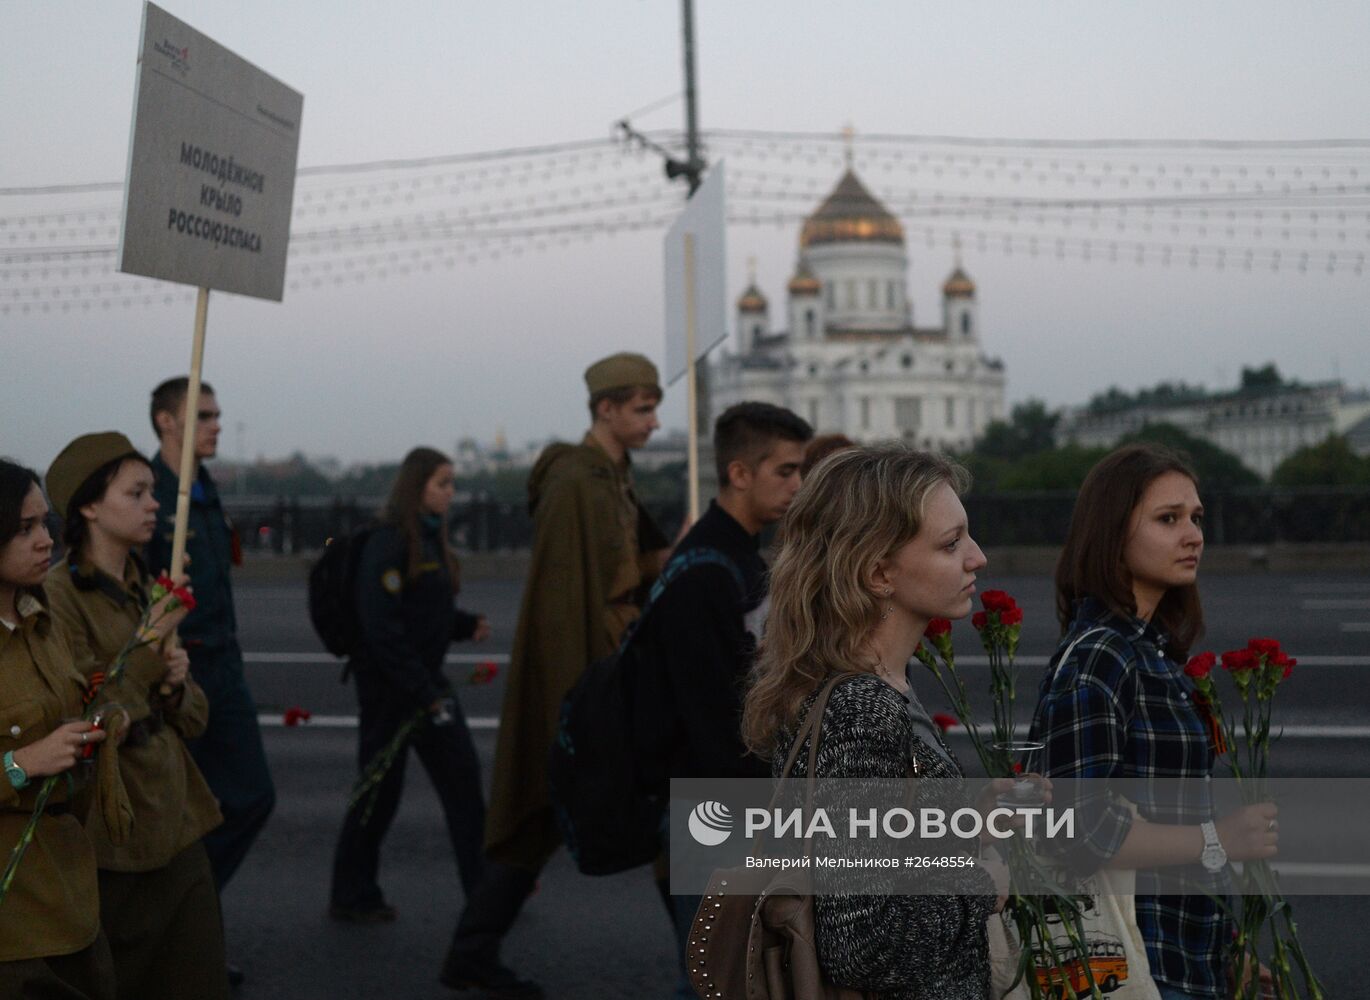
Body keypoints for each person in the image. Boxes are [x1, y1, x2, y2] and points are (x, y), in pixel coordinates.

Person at [442, 352, 671, 996]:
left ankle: (472, 952)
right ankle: (709, 965)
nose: (655, 422)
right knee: (574, 810)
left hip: (614, 660)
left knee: (562, 817)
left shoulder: (612, 475)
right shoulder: (578, 483)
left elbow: (634, 565)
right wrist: (582, 706)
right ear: (606, 409)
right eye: (643, 409)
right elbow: (566, 602)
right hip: (594, 670)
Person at [740, 447, 1003, 999]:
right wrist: (984, 884)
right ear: (880, 572)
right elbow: (864, 943)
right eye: (951, 544)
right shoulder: (861, 710)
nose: (976, 558)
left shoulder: (866, 687)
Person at [1027, 443, 1278, 1000]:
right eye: (1168, 519)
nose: (1193, 535)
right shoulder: (1102, 656)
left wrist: (1223, 950)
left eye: (1195, 518)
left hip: (1182, 958)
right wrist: (1220, 839)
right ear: (1113, 534)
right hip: (1134, 967)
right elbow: (1077, 831)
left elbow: (1171, 813)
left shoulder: (1151, 650)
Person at [628, 401, 811, 996]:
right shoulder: (706, 571)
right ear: (738, 474)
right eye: (785, 471)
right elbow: (717, 721)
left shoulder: (736, 556)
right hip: (711, 807)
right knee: (716, 977)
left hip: (725, 801)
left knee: (737, 971)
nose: (798, 486)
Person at [44, 433, 228, 1000]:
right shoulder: (58, 599)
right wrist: (149, 651)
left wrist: (176, 687)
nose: (155, 504)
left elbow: (195, 717)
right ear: (90, 506)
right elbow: (88, 716)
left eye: (154, 491)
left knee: (198, 976)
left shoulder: (149, 587)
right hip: (113, 828)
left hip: (178, 814)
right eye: (138, 491)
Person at [145, 377, 274, 986]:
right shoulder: (151, 497)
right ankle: (181, 942)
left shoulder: (203, 490)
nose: (217, 424)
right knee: (179, 818)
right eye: (204, 415)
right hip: (178, 670)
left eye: (219, 414)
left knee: (252, 797)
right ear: (167, 422)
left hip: (224, 663)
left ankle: (182, 923)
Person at [329, 447, 491, 923]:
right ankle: (351, 892)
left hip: (420, 682)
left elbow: (422, 613)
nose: (450, 493)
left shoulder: (427, 539)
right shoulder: (388, 543)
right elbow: (382, 629)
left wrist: (462, 625)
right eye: (442, 483)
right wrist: (426, 694)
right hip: (392, 690)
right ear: (416, 486)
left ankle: (485, 895)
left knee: (462, 788)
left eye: (452, 484)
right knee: (379, 794)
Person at [0, 460, 119, 1000]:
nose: (46, 539)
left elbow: (90, 691)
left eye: (44, 522)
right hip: (16, 923)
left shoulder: (43, 623)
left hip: (72, 896)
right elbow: (27, 758)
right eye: (25, 528)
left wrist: (101, 725)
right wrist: (22, 764)